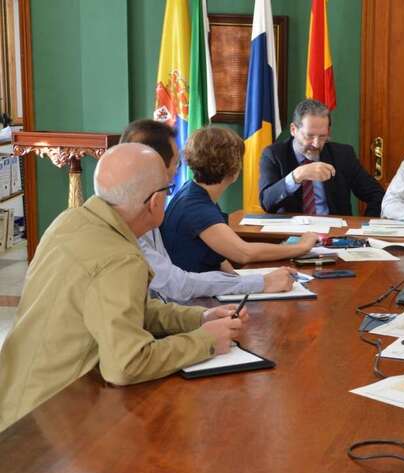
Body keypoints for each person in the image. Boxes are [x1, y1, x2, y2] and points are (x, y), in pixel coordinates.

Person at [0, 144, 247, 432]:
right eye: (168, 189)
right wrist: (205, 341)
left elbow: (126, 308)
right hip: (50, 420)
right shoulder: (120, 258)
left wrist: (198, 319)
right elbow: (127, 364)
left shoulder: (70, 220)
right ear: (155, 201)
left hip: (15, 398)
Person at [120, 119, 297, 303]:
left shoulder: (188, 196)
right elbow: (242, 254)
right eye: (175, 163)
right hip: (186, 303)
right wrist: (298, 249)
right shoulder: (190, 206)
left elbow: (217, 259)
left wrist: (244, 281)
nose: (174, 173)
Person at [161, 126, 317, 273]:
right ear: (234, 168)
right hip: (194, 297)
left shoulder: (192, 192)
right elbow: (244, 253)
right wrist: (301, 247)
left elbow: (218, 257)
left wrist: (240, 280)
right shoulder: (196, 207)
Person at [259, 99, 385, 216]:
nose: (316, 143)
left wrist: (362, 227)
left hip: (335, 234)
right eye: (309, 136)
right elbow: (267, 203)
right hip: (292, 234)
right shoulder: (274, 155)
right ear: (293, 130)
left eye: (322, 136)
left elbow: (378, 195)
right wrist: (297, 176)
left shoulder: (343, 155)